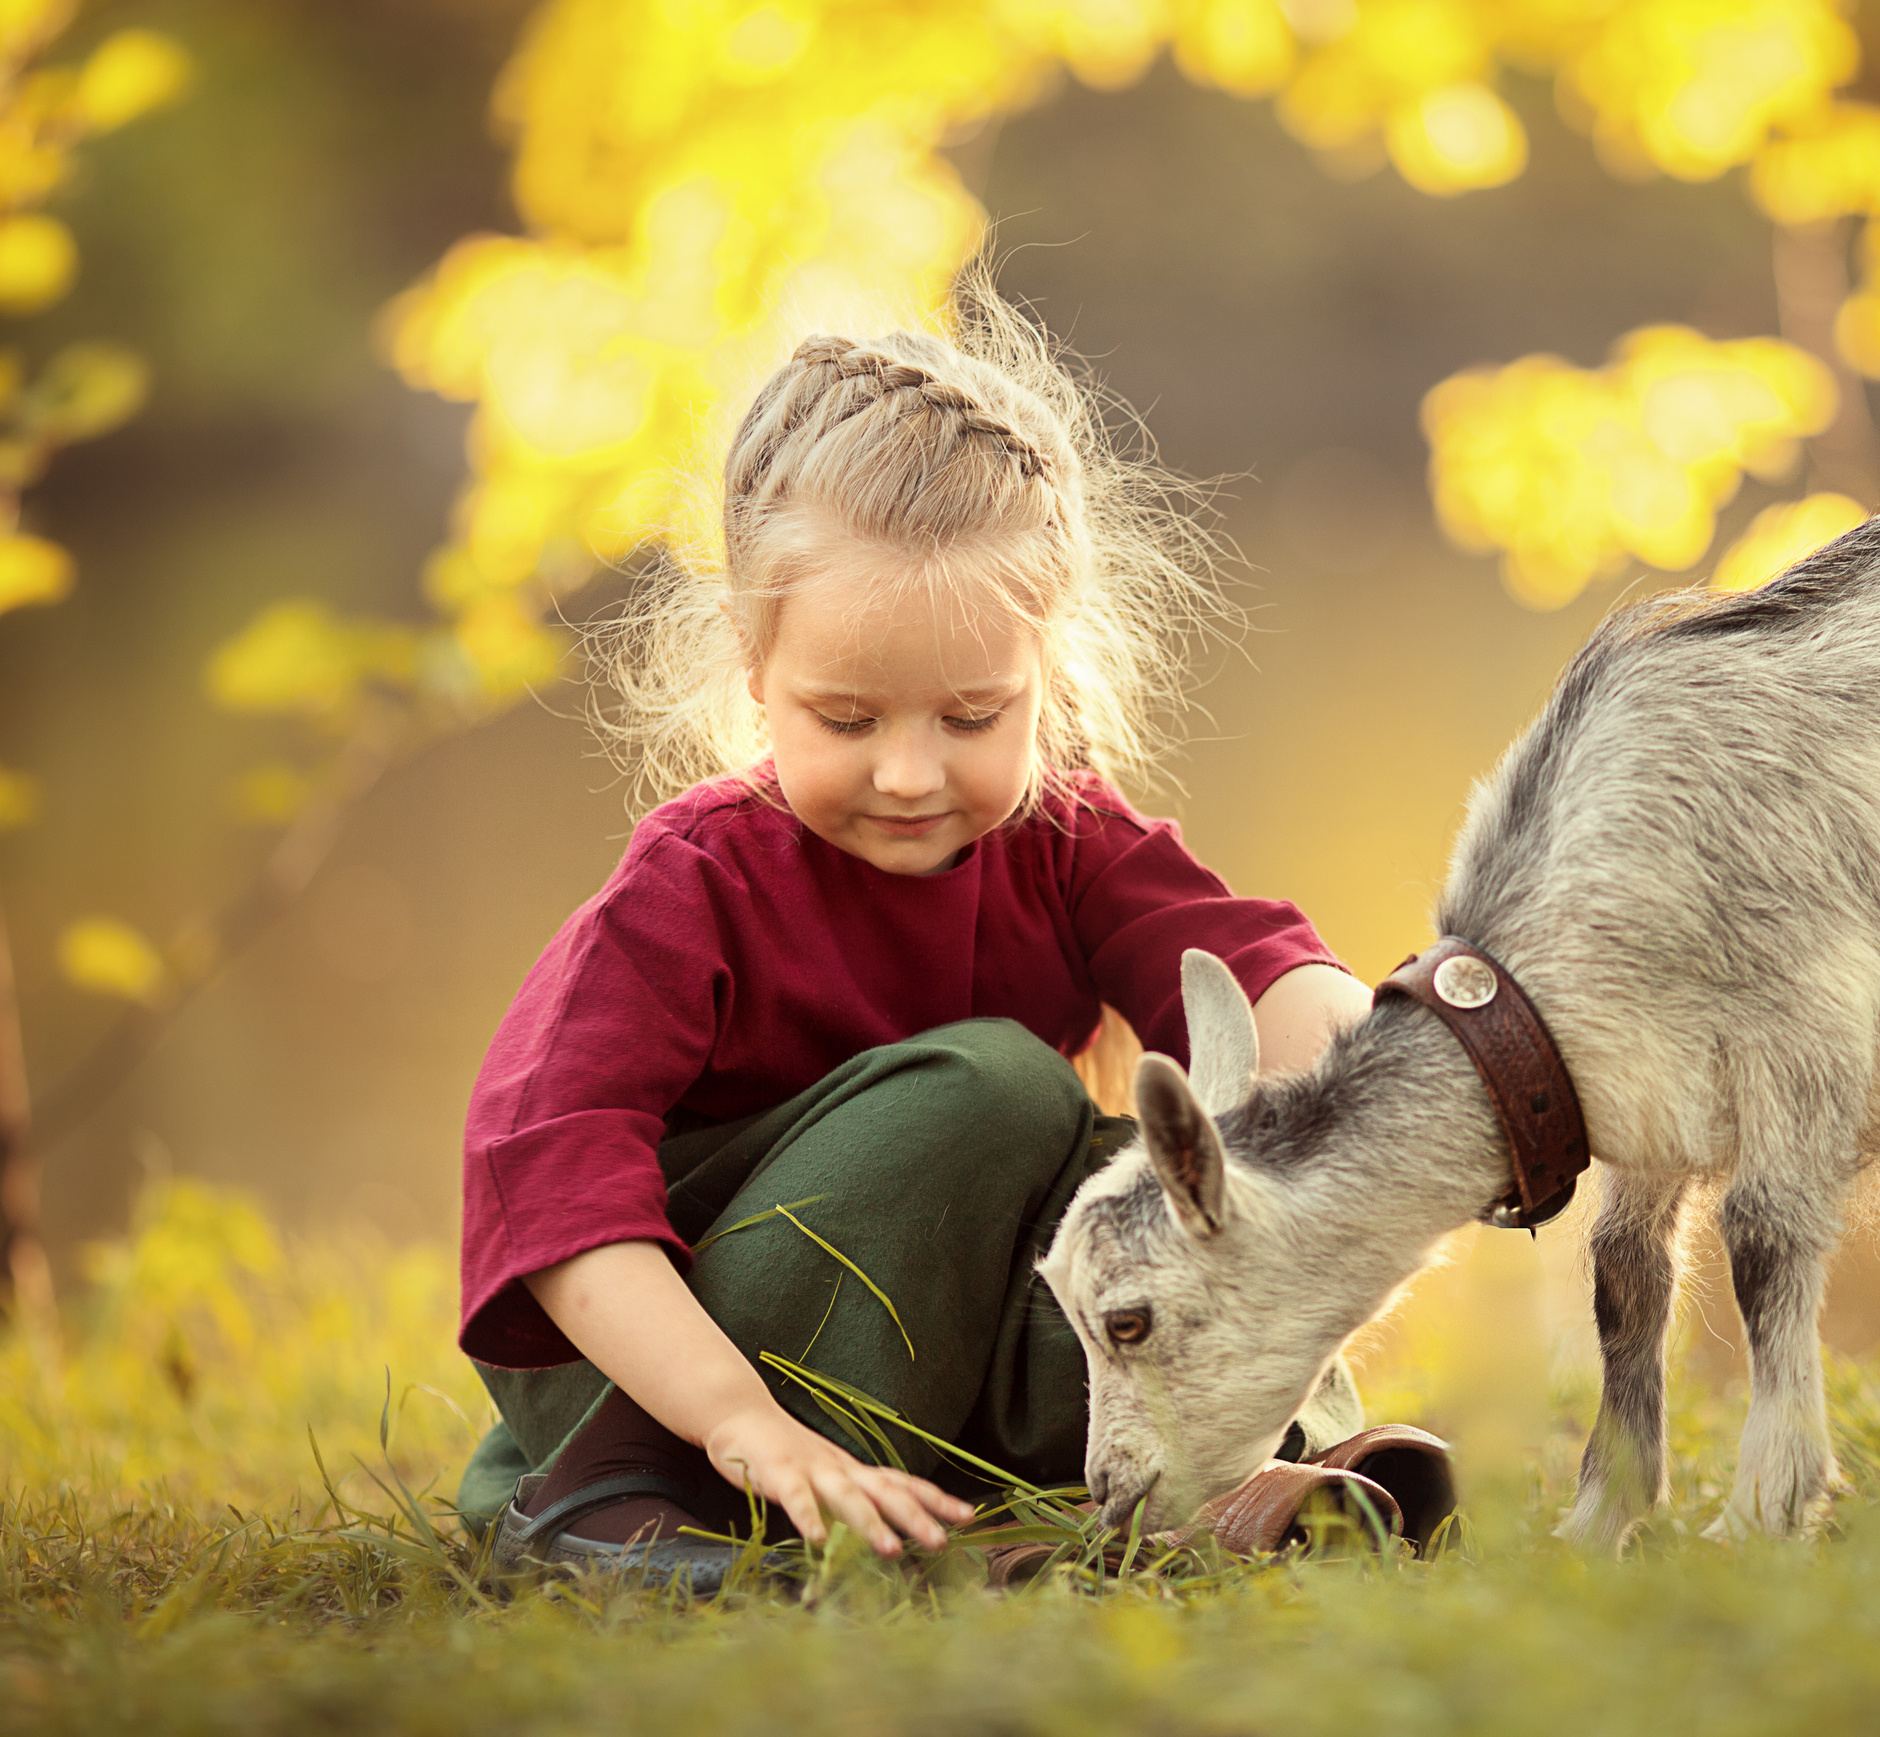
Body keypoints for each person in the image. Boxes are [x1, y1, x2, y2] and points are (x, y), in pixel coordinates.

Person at [453, 278, 1376, 1581]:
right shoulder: (696, 881)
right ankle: (616, 1497)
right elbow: (550, 1175)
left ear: (1044, 673)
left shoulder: (1065, 837)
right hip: (677, 1380)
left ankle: (1268, 1459)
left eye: (971, 716)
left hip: (935, 1342)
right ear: (753, 661)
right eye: (846, 719)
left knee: (1162, 1181)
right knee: (999, 1087)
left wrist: (1397, 1084)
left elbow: (1256, 972)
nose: (907, 773)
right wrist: (735, 1422)